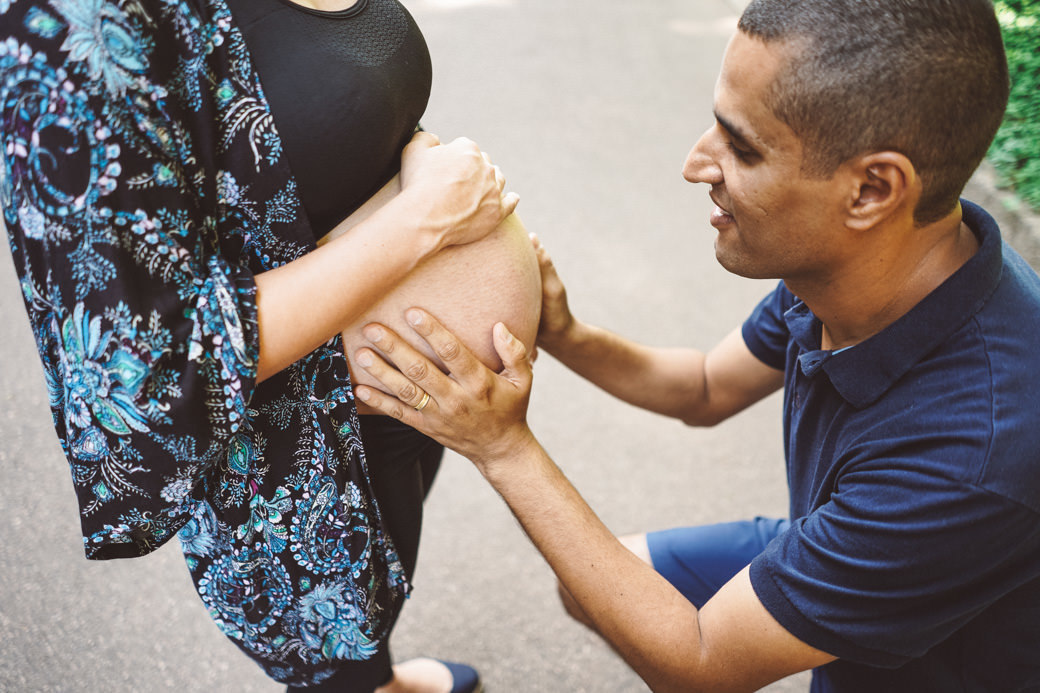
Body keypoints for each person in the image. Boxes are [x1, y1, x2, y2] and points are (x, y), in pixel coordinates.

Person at [351, 0, 1040, 690]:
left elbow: (700, 662)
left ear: (871, 189)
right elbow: (708, 387)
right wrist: (567, 334)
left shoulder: (970, 453)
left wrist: (502, 447)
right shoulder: (880, 263)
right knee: (596, 584)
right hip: (850, 542)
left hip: (936, 668)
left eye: (742, 148)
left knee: (665, 623)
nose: (694, 164)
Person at [0, 0, 539, 691]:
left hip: (406, 401)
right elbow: (149, 371)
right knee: (336, 657)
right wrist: (425, 220)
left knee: (375, 610)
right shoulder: (68, 27)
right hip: (309, 436)